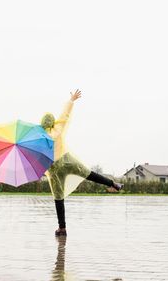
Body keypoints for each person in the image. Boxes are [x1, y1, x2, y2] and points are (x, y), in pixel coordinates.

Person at [41, 90, 123, 236]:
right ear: (52, 122)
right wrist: (71, 100)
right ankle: (114, 184)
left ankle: (62, 228)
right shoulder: (58, 128)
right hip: (68, 161)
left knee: (58, 198)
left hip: (53, 170)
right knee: (90, 174)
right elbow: (64, 115)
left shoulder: (38, 137)